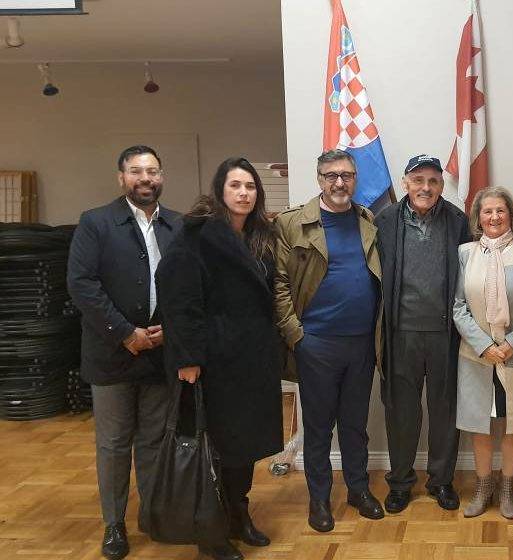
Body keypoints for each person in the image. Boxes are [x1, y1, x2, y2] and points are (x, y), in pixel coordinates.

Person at [155, 158, 284, 560]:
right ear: (219, 190)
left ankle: (238, 516)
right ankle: (210, 531)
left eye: (250, 186)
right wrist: (188, 357)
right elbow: (179, 299)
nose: (244, 193)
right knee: (214, 449)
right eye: (235, 186)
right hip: (211, 363)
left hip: (251, 361)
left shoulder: (260, 235)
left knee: (244, 446)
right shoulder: (196, 234)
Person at [67, 145, 180, 560]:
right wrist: (125, 333)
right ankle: (114, 524)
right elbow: (82, 284)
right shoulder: (95, 223)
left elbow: (187, 284)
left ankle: (151, 514)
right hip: (112, 353)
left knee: (153, 440)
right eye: (136, 171)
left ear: (162, 176)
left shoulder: (178, 225)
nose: (145, 178)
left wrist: (171, 330)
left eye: (152, 171)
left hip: (160, 352)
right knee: (114, 444)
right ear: (121, 178)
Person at [273, 149, 384, 532]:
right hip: (316, 344)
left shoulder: (366, 220)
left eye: (347, 175)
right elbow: (279, 284)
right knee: (319, 428)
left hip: (361, 343)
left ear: (355, 179)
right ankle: (319, 500)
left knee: (355, 425)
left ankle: (358, 490)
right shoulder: (292, 223)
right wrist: (296, 336)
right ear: (320, 179)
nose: (339, 182)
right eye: (331, 175)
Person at [374, 154, 471, 513]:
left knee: (445, 412)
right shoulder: (385, 221)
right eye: (418, 180)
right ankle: (400, 483)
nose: (425, 188)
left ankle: (441, 481)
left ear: (442, 185)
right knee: (401, 412)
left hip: (446, 333)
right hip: (401, 333)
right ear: (405, 183)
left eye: (433, 181)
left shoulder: (458, 221)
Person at [453, 186, 513, 519]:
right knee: (479, 423)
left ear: (511, 214)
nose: (494, 217)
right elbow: (458, 306)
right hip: (477, 356)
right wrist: (484, 345)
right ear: (478, 217)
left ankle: (507, 487)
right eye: (487, 211)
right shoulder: (465, 253)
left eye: (501, 210)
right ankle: (483, 487)